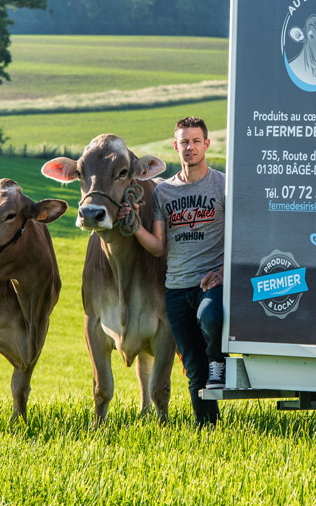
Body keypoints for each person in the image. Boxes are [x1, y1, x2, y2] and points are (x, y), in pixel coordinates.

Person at [122, 116, 226, 427]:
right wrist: (134, 226)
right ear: (175, 146)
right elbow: (157, 246)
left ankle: (219, 361)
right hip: (177, 289)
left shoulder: (223, 185)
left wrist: (224, 270)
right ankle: (207, 427)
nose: (190, 147)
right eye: (184, 142)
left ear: (206, 144)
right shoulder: (163, 193)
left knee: (211, 318)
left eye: (196, 141)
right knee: (193, 367)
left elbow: (242, 237)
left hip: (211, 284)